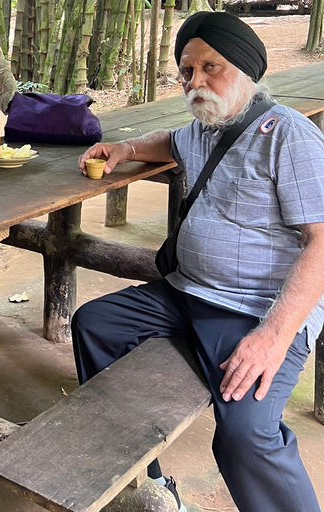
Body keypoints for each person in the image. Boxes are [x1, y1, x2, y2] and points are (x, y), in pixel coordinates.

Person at [72, 12, 323, 512]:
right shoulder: (207, 125)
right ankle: (152, 482)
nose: (196, 81)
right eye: (187, 70)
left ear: (247, 71)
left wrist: (272, 338)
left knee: (244, 437)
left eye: (212, 66)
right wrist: (124, 147)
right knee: (94, 325)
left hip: (256, 309)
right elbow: (169, 140)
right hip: (186, 294)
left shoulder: (287, 135)